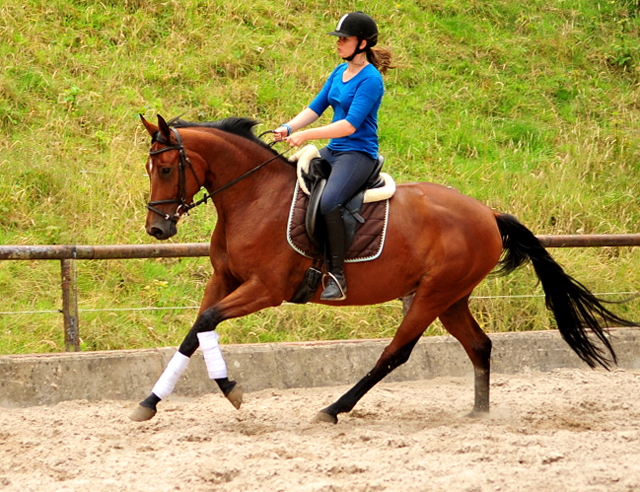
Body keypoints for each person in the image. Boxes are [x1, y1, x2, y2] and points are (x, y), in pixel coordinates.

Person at [275, 11, 394, 301]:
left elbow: (349, 125)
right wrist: (289, 126)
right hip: (335, 151)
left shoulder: (370, 80)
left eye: (344, 39)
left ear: (362, 43)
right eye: (338, 39)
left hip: (358, 154)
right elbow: (315, 108)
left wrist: (305, 136)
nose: (338, 43)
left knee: (330, 202)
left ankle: (337, 276)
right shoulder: (338, 74)